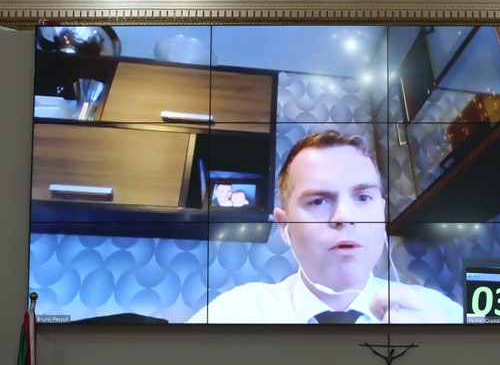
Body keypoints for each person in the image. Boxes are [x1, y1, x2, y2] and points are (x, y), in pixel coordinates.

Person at [189, 130, 463, 324]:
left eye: (363, 197)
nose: (345, 216)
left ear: (381, 214)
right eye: (318, 201)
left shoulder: (444, 316)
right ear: (284, 226)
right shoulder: (231, 316)